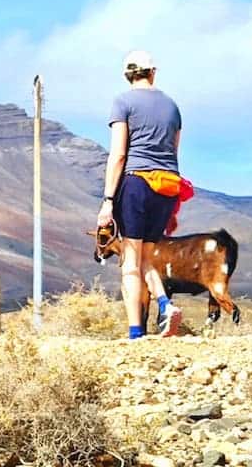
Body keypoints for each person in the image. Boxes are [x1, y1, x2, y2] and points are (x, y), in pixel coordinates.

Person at [97, 50, 183, 339]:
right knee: (146, 257)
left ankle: (135, 333)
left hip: (136, 184)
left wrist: (108, 200)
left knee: (130, 263)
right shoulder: (172, 106)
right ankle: (164, 304)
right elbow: (174, 152)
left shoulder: (122, 102)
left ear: (127, 75)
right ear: (152, 72)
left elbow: (119, 154)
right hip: (168, 185)